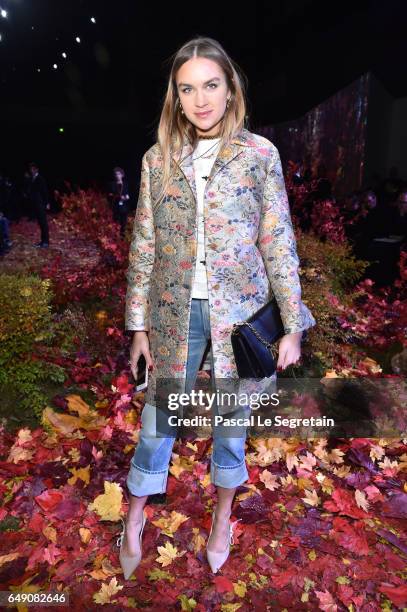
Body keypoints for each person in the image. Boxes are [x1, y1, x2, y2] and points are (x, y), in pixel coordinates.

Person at [121, 36, 316, 579]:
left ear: (231, 91)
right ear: (175, 97)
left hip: (242, 315)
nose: (200, 100)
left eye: (211, 85)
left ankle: (221, 515)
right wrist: (136, 323)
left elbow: (278, 241)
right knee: (159, 417)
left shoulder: (259, 155)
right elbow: (144, 243)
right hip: (172, 310)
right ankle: (135, 513)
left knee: (232, 423)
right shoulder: (158, 159)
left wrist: (293, 324)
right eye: (187, 89)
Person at [27, 162, 50, 248]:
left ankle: (46, 242)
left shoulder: (40, 179)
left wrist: (47, 202)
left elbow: (45, 191)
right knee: (40, 223)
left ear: (36, 169)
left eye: (33, 169)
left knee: (43, 222)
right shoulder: (32, 178)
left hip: (41, 203)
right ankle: (42, 241)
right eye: (31, 169)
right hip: (35, 203)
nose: (31, 170)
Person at [108, 167, 130, 237]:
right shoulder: (112, 184)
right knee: (116, 222)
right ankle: (115, 237)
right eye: (116, 174)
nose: (117, 175)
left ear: (122, 175)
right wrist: (117, 196)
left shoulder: (125, 184)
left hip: (124, 207)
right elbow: (110, 194)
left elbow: (127, 194)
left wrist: (126, 197)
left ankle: (122, 239)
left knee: (123, 223)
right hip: (115, 206)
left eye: (119, 174)